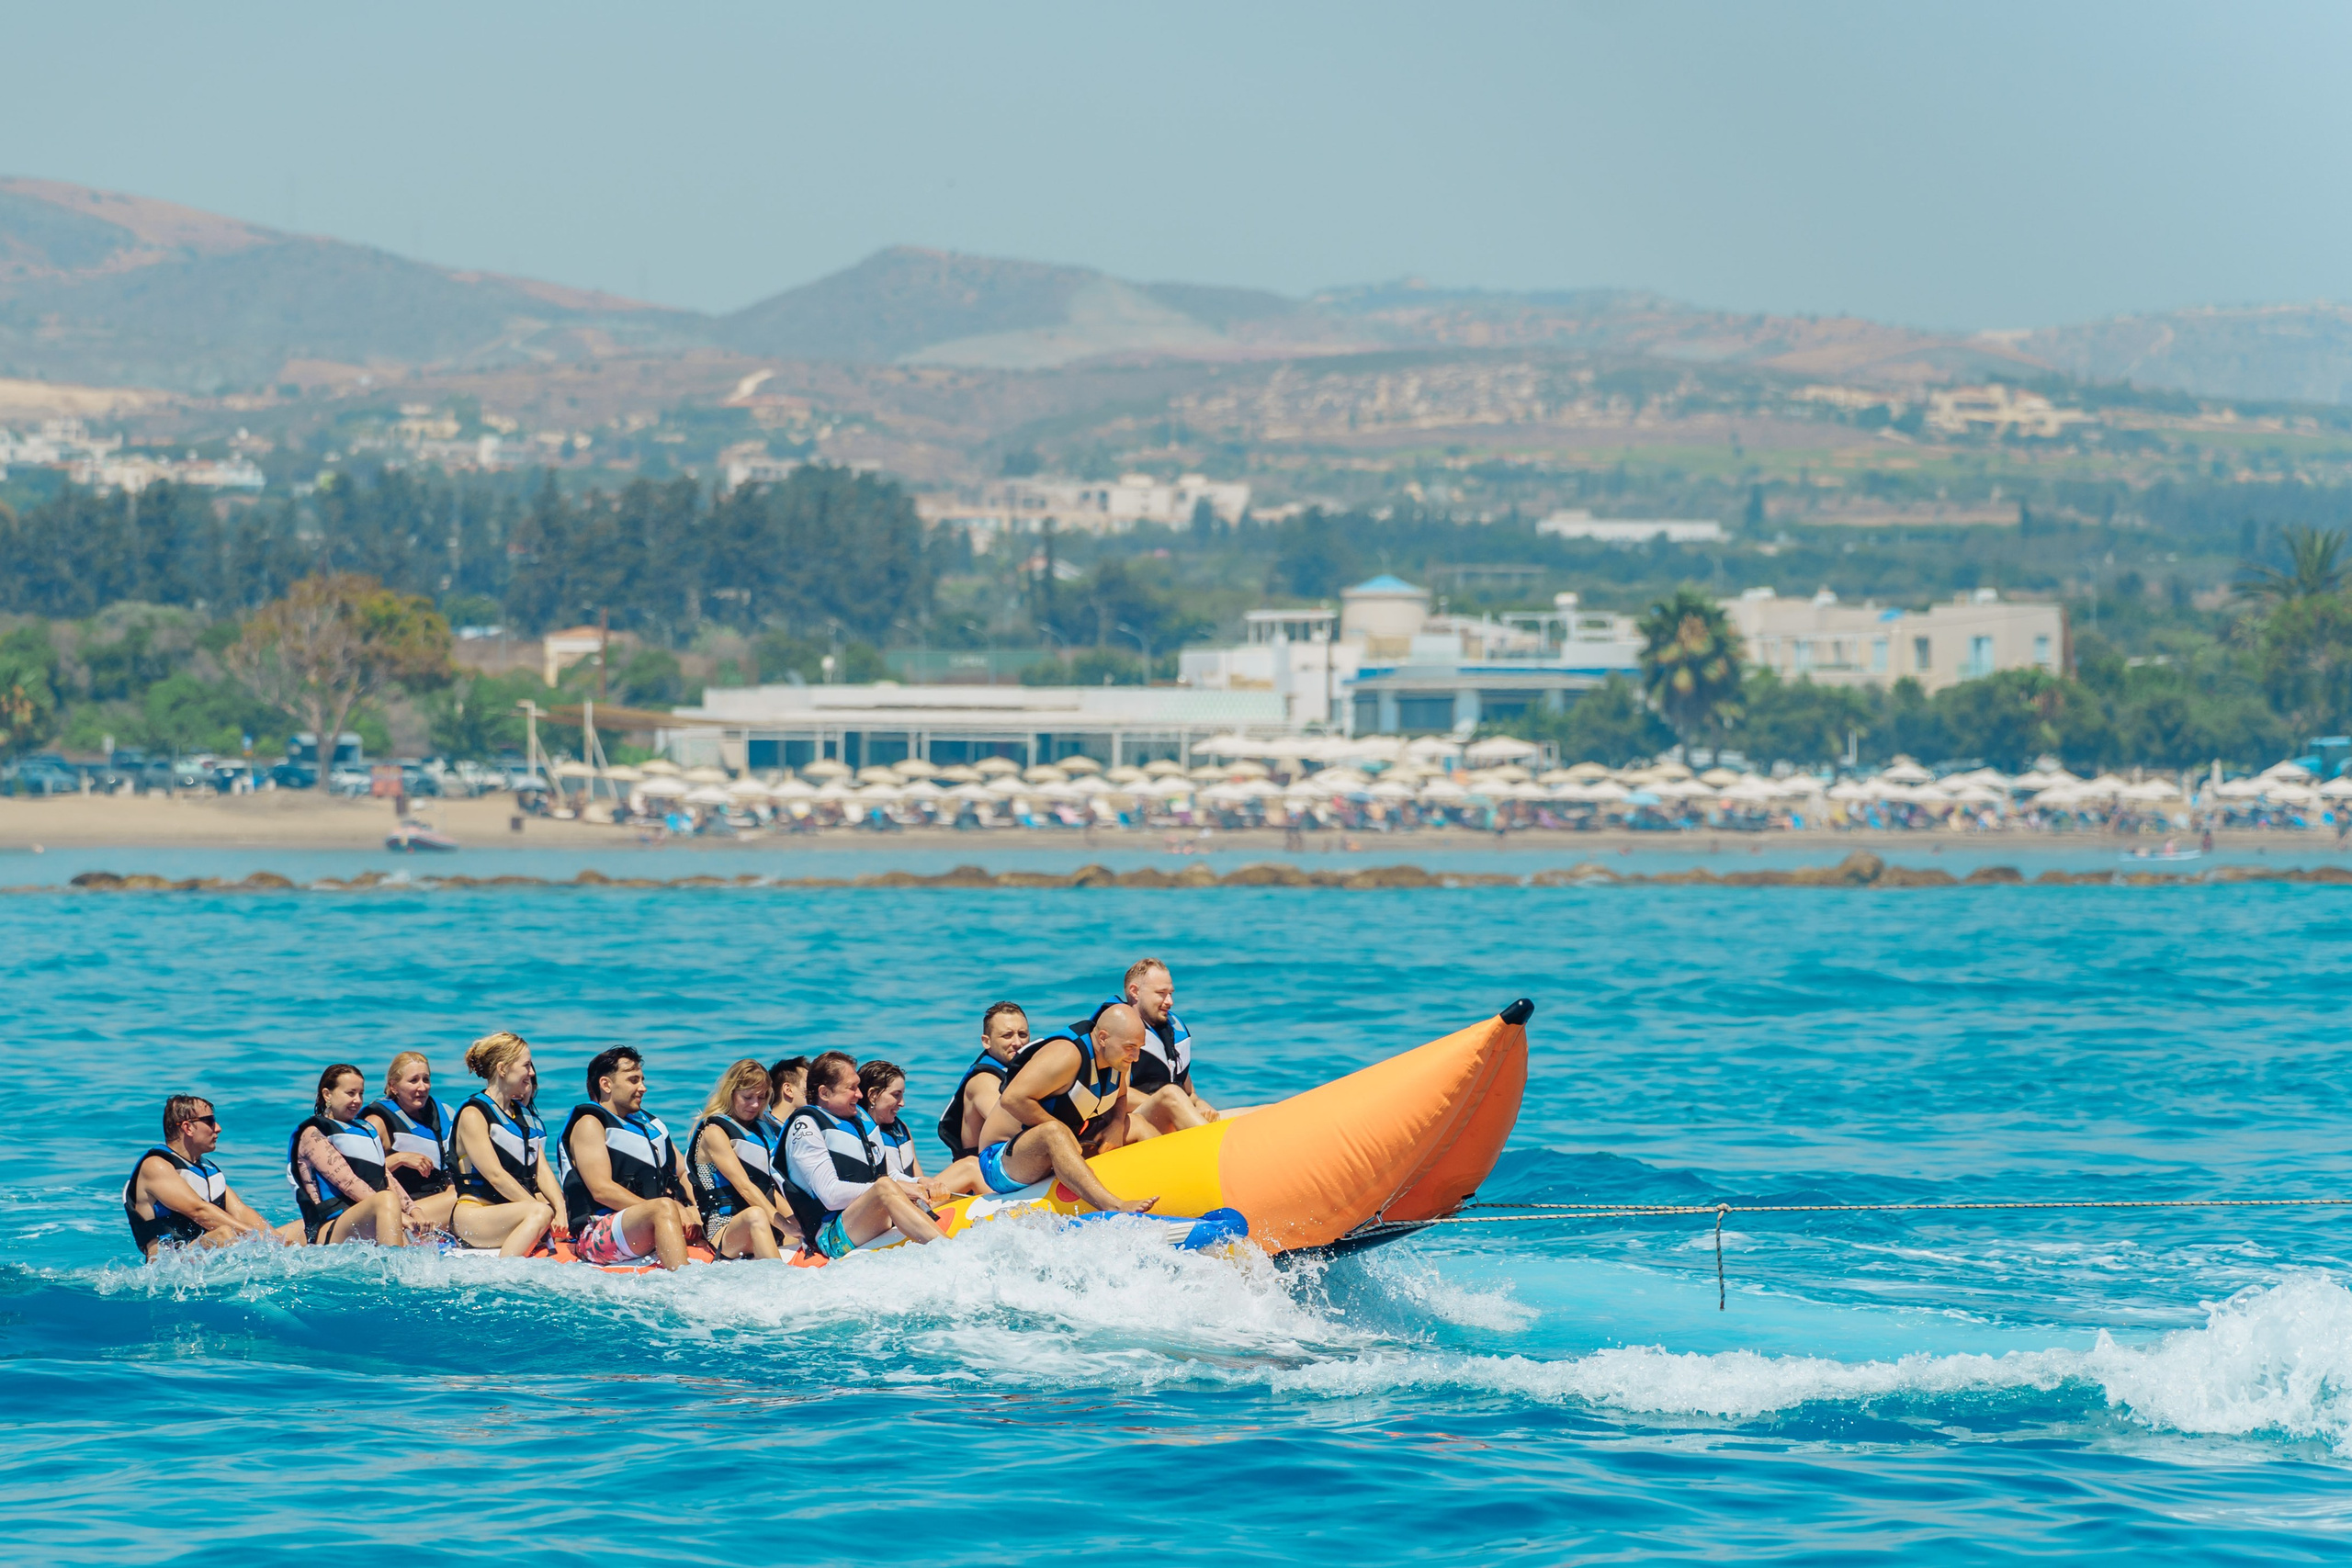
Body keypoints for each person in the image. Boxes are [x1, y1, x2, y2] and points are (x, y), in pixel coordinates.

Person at [961, 1005, 1160, 1215]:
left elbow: (1120, 1095)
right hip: (1001, 1162)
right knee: (1052, 1132)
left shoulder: (1116, 1058)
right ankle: (1114, 1206)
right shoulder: (1067, 1055)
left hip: (1063, 1146)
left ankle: (1172, 1187)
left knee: (1135, 1124)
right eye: (1130, 1047)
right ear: (1103, 1038)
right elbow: (1012, 1099)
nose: (1136, 1056)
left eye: (1139, 1047)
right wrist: (1062, 1130)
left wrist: (1117, 1124)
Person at [779, 1050, 944, 1260]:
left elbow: (886, 1174)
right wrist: (894, 1188)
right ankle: (948, 1251)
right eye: (852, 1088)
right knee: (884, 1187)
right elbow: (830, 1195)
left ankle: (940, 1239)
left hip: (869, 1219)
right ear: (825, 1093)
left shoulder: (860, 1121)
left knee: (888, 1185)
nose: (859, 1094)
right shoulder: (806, 1128)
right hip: (831, 1236)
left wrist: (920, 1182)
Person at [560, 1046, 697, 1270]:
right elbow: (601, 1189)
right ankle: (687, 1285)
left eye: (642, 1080)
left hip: (646, 1224)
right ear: (606, 1085)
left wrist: (692, 1208)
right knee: (664, 1207)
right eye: (633, 1080)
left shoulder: (650, 1125)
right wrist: (669, 1211)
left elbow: (682, 1172)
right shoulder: (590, 1124)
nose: (642, 1088)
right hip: (597, 1234)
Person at [122, 1095, 291, 1258]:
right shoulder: (156, 1165)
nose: (218, 1128)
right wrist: (254, 1236)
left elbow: (241, 1210)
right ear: (188, 1128)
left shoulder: (207, 1170)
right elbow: (199, 1211)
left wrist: (278, 1240)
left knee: (300, 1230)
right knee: (225, 1234)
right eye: (210, 1121)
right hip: (168, 1265)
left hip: (201, 1255)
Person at [448, 1031, 567, 1257]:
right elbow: (495, 1175)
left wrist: (560, 1209)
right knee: (541, 1213)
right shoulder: (474, 1113)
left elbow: (541, 1170)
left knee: (557, 1209)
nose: (531, 1073)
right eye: (526, 1066)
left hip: (512, 1210)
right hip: (476, 1216)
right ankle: (505, 1273)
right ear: (503, 1069)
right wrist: (541, 1209)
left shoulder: (523, 1115)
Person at [1084, 959, 1215, 1139]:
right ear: (1135, 992)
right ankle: (1216, 1150)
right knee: (1171, 1094)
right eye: (1161, 993)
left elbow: (1189, 1093)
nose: (1170, 1001)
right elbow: (1119, 1095)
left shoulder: (1169, 1030)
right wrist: (1170, 1105)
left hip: (1172, 1115)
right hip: (1131, 1122)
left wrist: (1200, 1104)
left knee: (1255, 1112)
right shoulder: (1120, 1033)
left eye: (1170, 993)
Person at [287, 1064, 413, 1247]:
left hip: (368, 1217)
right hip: (330, 1229)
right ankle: (394, 1268)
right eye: (350, 1093)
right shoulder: (313, 1134)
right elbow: (347, 1182)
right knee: (386, 1199)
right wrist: (399, 1215)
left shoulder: (366, 1130)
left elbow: (386, 1176)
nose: (357, 1100)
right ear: (327, 1094)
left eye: (361, 1094)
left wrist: (414, 1211)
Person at [687, 1058, 800, 1259]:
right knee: (755, 1215)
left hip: (767, 1224)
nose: (755, 1104)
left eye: (762, 1097)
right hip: (725, 1228)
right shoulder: (714, 1132)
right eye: (747, 1097)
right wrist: (784, 1224)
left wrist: (799, 1222)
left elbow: (772, 1186)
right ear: (731, 1093)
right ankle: (780, 1282)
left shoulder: (765, 1127)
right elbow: (744, 1186)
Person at [363, 1051, 461, 1232]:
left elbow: (454, 1164)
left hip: (439, 1202)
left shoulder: (444, 1114)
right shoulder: (378, 1122)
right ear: (393, 1086)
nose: (422, 1087)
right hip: (404, 1212)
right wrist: (400, 1158)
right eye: (413, 1080)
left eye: (426, 1079)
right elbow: (360, 1176)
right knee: (461, 1198)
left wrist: (451, 1185)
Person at [935, 1001, 1027, 1164]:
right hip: (984, 1171)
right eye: (1007, 1035)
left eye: (1022, 1034)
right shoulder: (983, 1080)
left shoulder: (1019, 1072)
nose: (1017, 1043)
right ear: (987, 1041)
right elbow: (1010, 1127)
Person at [858, 1059, 924, 1183]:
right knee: (969, 1166)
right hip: (890, 1198)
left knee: (969, 1164)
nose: (902, 1103)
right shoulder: (859, 1133)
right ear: (873, 1095)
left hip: (916, 1196)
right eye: (896, 1095)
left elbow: (919, 1174)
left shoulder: (901, 1128)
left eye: (902, 1095)